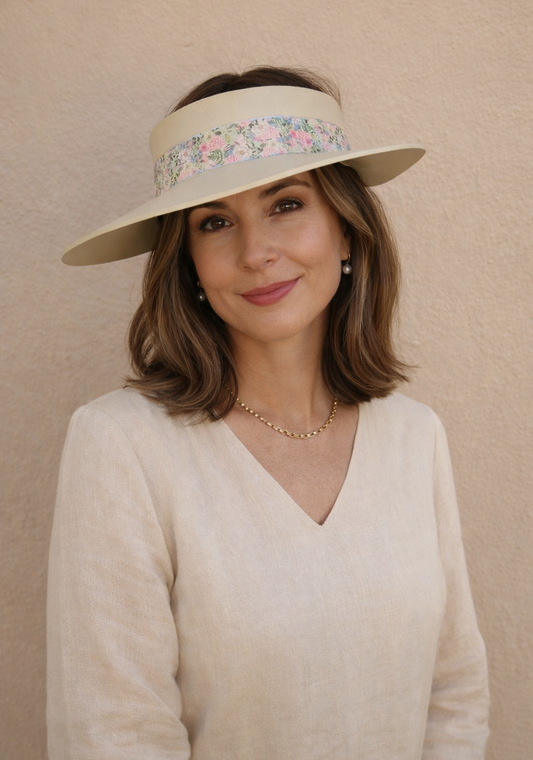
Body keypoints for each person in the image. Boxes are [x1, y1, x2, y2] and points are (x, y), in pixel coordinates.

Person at [47, 66, 490, 759]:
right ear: (187, 261)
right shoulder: (122, 446)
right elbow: (114, 732)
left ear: (345, 229)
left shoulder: (413, 437)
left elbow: (454, 696)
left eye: (285, 204)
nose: (255, 253)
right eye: (215, 222)